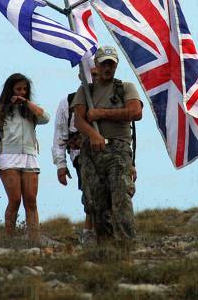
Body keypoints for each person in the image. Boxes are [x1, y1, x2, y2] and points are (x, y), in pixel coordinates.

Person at [71, 46, 143, 247]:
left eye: (111, 63)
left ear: (116, 65)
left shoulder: (125, 88)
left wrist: (101, 113)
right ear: (97, 65)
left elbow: (135, 112)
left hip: (118, 150)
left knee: (120, 197)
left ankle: (127, 245)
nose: (107, 67)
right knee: (95, 201)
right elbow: (79, 120)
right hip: (91, 152)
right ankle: (105, 247)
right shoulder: (86, 90)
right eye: (104, 63)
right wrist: (93, 134)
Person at [0, 73, 49, 243]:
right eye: (18, 89)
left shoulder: (31, 109)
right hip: (8, 157)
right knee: (14, 199)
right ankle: (10, 239)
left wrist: (27, 103)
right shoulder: (0, 111)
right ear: (10, 90)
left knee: (31, 200)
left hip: (29, 156)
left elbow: (45, 118)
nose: (21, 92)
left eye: (24, 89)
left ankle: (34, 239)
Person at [52, 67, 99, 240]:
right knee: (90, 190)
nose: (92, 78)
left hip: (108, 152)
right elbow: (60, 136)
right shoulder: (68, 102)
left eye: (95, 73)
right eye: (89, 74)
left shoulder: (112, 98)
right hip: (80, 154)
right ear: (80, 75)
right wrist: (61, 165)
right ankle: (89, 231)